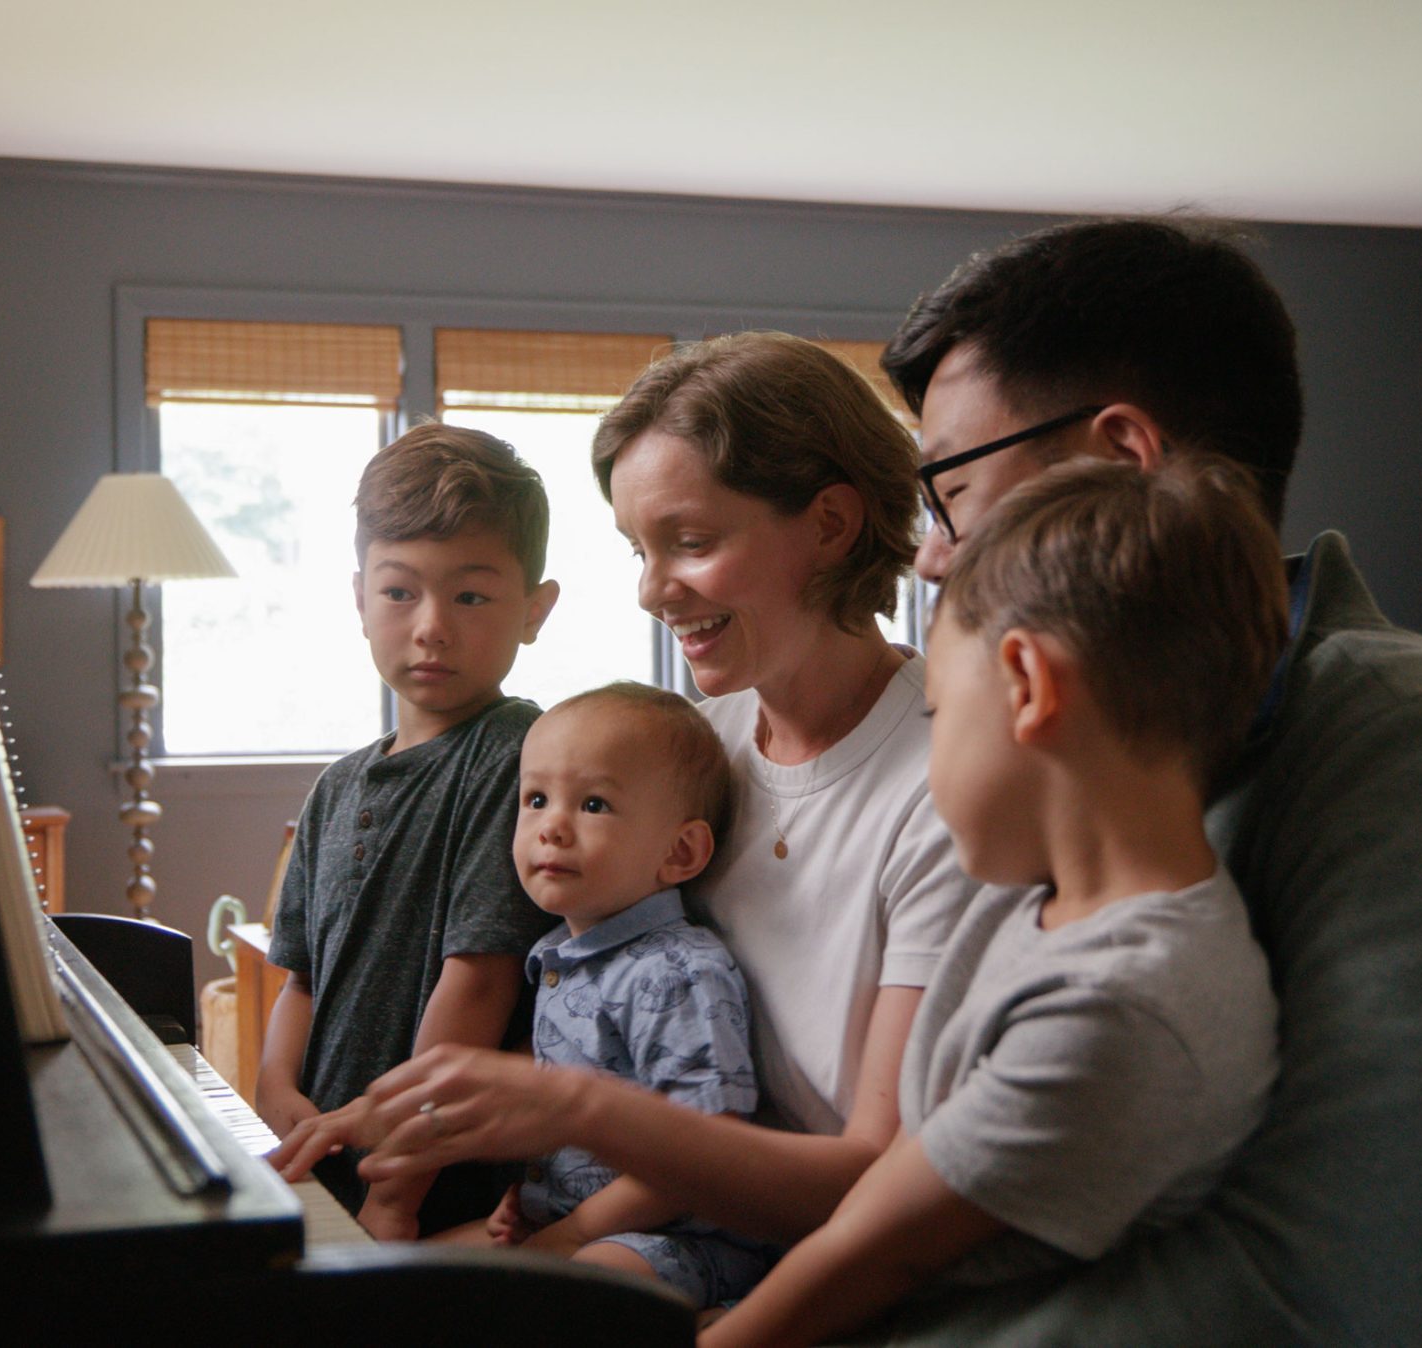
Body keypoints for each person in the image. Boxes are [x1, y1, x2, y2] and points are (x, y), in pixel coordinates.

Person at [875, 217, 1422, 1346]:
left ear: (1121, 457)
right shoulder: (1055, 743)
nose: (931, 553)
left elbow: (1320, 1296)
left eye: (952, 488)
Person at [276, 332, 988, 1261]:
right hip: (639, 1225)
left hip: (785, 1258)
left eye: (690, 542)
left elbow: (878, 1182)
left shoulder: (951, 785)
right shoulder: (692, 748)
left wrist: (569, 1142)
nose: (653, 591)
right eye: (637, 550)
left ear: (830, 524)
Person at [706, 455, 1289, 1348]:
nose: (932, 755)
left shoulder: (1124, 1005)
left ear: (1028, 687)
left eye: (938, 715)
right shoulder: (1034, 900)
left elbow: (875, 1255)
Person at [256, 423, 563, 1240]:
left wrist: (396, 1179)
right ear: (360, 599)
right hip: (326, 1160)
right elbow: (299, 980)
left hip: (434, 1187)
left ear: (534, 610)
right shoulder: (336, 786)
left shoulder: (520, 754)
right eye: (400, 592)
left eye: (471, 596)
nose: (431, 626)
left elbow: (481, 983)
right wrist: (274, 1085)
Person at [442, 681, 772, 1308]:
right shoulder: (557, 958)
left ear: (680, 852)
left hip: (682, 1240)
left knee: (574, 1292)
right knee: (409, 1276)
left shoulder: (676, 971)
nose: (552, 827)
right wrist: (537, 1197)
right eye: (536, 799)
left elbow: (706, 1150)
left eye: (593, 805)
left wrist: (573, 1233)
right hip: (579, 1225)